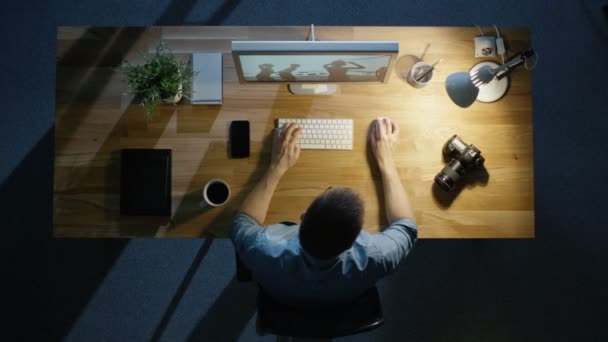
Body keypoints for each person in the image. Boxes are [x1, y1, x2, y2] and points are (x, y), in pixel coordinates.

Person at [230, 117, 417, 307]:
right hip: (341, 302)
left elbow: (242, 223)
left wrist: (276, 167)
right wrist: (386, 160)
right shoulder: (379, 255)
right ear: (356, 237)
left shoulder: (263, 248)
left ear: (303, 217)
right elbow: (406, 226)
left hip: (281, 297)